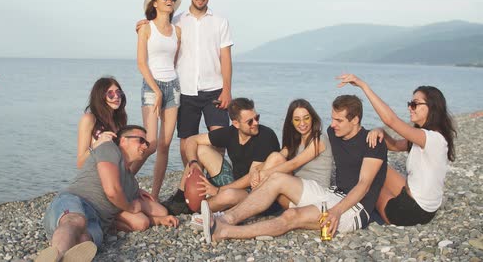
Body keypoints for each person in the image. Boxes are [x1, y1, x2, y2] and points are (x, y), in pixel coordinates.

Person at [202, 95, 387, 243]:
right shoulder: (334, 133)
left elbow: (363, 185)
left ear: (355, 120)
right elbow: (286, 158)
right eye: (332, 119)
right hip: (332, 194)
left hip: (354, 209)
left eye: (338, 120)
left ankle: (225, 231)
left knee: (291, 216)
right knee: (277, 179)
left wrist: (336, 211)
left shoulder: (373, 143)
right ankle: (226, 218)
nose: (332, 124)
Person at [37, 125, 178, 262]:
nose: (145, 146)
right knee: (76, 220)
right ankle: (57, 255)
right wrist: (131, 207)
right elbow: (112, 191)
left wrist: (159, 220)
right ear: (123, 140)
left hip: (97, 222)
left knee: (84, 240)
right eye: (141, 140)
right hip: (75, 201)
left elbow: (157, 211)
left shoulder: (131, 183)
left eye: (147, 143)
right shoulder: (109, 149)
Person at [137, 0, 233, 166]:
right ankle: (189, 184)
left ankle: (214, 182)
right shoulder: (177, 22)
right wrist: (142, 24)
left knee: (220, 139)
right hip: (186, 90)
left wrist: (227, 90)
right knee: (185, 145)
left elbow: (226, 58)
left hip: (214, 88)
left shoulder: (220, 22)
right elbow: (158, 31)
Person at [336, 74, 456, 226]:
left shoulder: (431, 138)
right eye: (409, 103)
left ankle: (344, 204)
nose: (409, 108)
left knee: (369, 185)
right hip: (424, 208)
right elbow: (393, 145)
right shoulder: (430, 136)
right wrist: (380, 131)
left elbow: (390, 120)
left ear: (432, 107)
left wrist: (363, 86)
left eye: (415, 104)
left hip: (409, 212)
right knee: (379, 168)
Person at [163, 98, 280, 215]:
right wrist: (194, 163)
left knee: (229, 195)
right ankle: (181, 199)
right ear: (236, 124)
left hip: (257, 192)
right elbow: (191, 140)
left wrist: (218, 190)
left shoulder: (265, 136)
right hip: (235, 182)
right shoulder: (230, 132)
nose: (256, 123)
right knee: (201, 150)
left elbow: (251, 178)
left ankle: (197, 208)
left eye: (257, 118)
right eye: (250, 121)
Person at [130, 0, 182, 200]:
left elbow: (175, 61)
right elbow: (142, 63)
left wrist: (168, 88)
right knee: (150, 143)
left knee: (165, 145)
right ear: (155, 2)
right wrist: (156, 90)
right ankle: (121, 177)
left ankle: (154, 195)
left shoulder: (177, 30)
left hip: (173, 87)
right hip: (152, 87)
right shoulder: (146, 28)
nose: (169, 0)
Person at [76, 77, 127, 169]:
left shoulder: (120, 120)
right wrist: (98, 143)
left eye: (118, 92)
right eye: (110, 93)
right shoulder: (89, 119)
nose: (116, 96)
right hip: (94, 177)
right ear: (100, 96)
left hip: (114, 175)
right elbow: (80, 164)